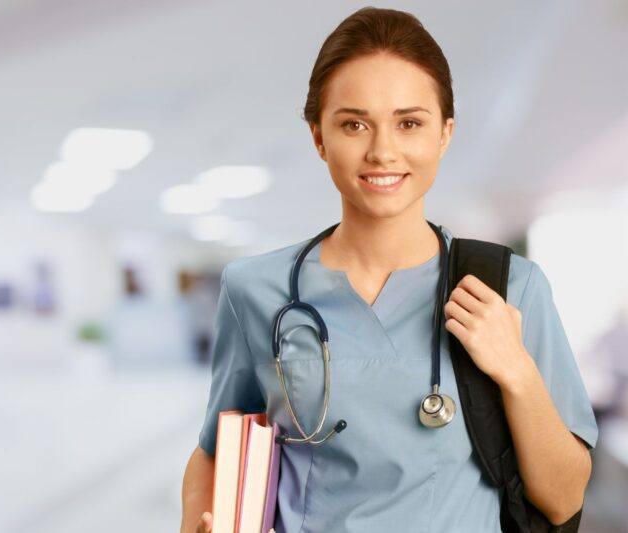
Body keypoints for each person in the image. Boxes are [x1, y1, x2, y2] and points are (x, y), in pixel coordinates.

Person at [180, 8, 597, 533]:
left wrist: (516, 371)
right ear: (318, 137)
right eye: (354, 124)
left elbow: (563, 499)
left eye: (409, 123)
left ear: (445, 133)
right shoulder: (254, 290)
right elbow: (216, 451)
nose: (382, 151)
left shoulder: (511, 287)